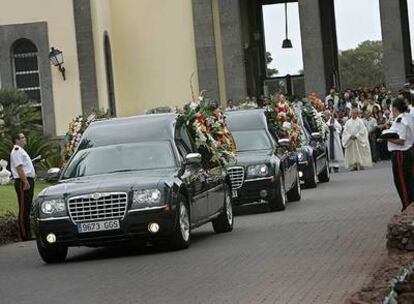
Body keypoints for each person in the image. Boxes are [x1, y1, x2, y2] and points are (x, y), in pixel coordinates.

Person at [382, 99, 414, 211]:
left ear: (394, 108)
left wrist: (387, 138)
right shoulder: (407, 117)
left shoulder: (401, 120)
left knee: (402, 182)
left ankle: (407, 206)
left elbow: (401, 140)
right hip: (407, 152)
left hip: (401, 154)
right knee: (408, 180)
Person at [10, 133, 36, 241]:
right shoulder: (16, 151)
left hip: (27, 180)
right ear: (17, 140)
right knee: (23, 208)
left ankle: (28, 232)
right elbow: (19, 168)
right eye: (22, 137)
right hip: (22, 181)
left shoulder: (21, 150)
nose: (25, 139)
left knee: (27, 207)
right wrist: (25, 181)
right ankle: (25, 234)